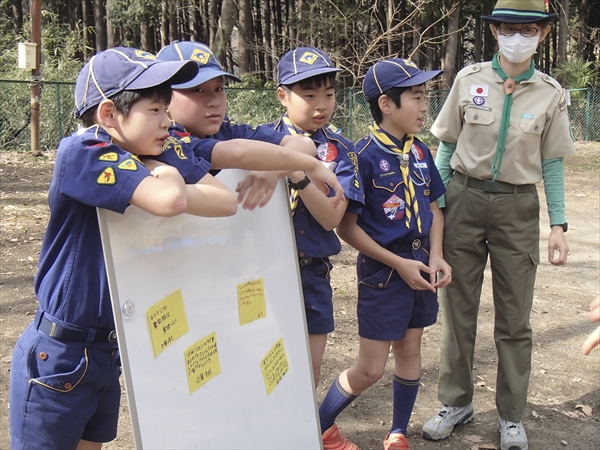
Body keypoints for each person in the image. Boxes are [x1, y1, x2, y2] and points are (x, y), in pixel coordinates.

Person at [8, 47, 239, 450]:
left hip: (106, 349)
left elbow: (224, 201)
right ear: (109, 114)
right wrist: (163, 168)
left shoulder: (144, 151)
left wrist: (155, 163)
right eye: (155, 110)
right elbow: (172, 201)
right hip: (61, 353)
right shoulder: (83, 153)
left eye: (167, 110)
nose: (168, 122)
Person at [421, 1, 576, 449]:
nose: (517, 38)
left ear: (543, 35)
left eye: (528, 30)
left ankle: (511, 415)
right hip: (463, 201)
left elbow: (551, 163)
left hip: (517, 207)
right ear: (494, 32)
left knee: (514, 318)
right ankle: (455, 401)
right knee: (457, 310)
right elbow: (446, 149)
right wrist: (436, 205)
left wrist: (559, 225)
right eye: (508, 29)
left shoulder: (551, 94)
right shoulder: (468, 81)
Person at [317, 58, 451, 450]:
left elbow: (434, 208)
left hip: (422, 270)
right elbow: (347, 228)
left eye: (426, 96)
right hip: (384, 274)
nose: (426, 105)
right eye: (417, 96)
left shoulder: (424, 152)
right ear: (386, 104)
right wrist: (398, 263)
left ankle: (397, 432)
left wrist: (437, 255)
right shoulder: (361, 157)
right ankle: (319, 424)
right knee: (372, 367)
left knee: (411, 350)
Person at [266, 47, 363, 386]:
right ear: (283, 95)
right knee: (267, 365)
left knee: (309, 368)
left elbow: (330, 219)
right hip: (263, 272)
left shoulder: (341, 149)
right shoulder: (258, 141)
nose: (321, 105)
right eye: (309, 95)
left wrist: (298, 172)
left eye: (330, 94)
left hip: (312, 273)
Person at [156, 40, 343, 210]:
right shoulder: (165, 138)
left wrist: (273, 172)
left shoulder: (225, 129)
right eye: (197, 90)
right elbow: (237, 152)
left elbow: (304, 144)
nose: (214, 101)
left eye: (219, 89)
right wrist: (311, 165)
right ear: (162, 98)